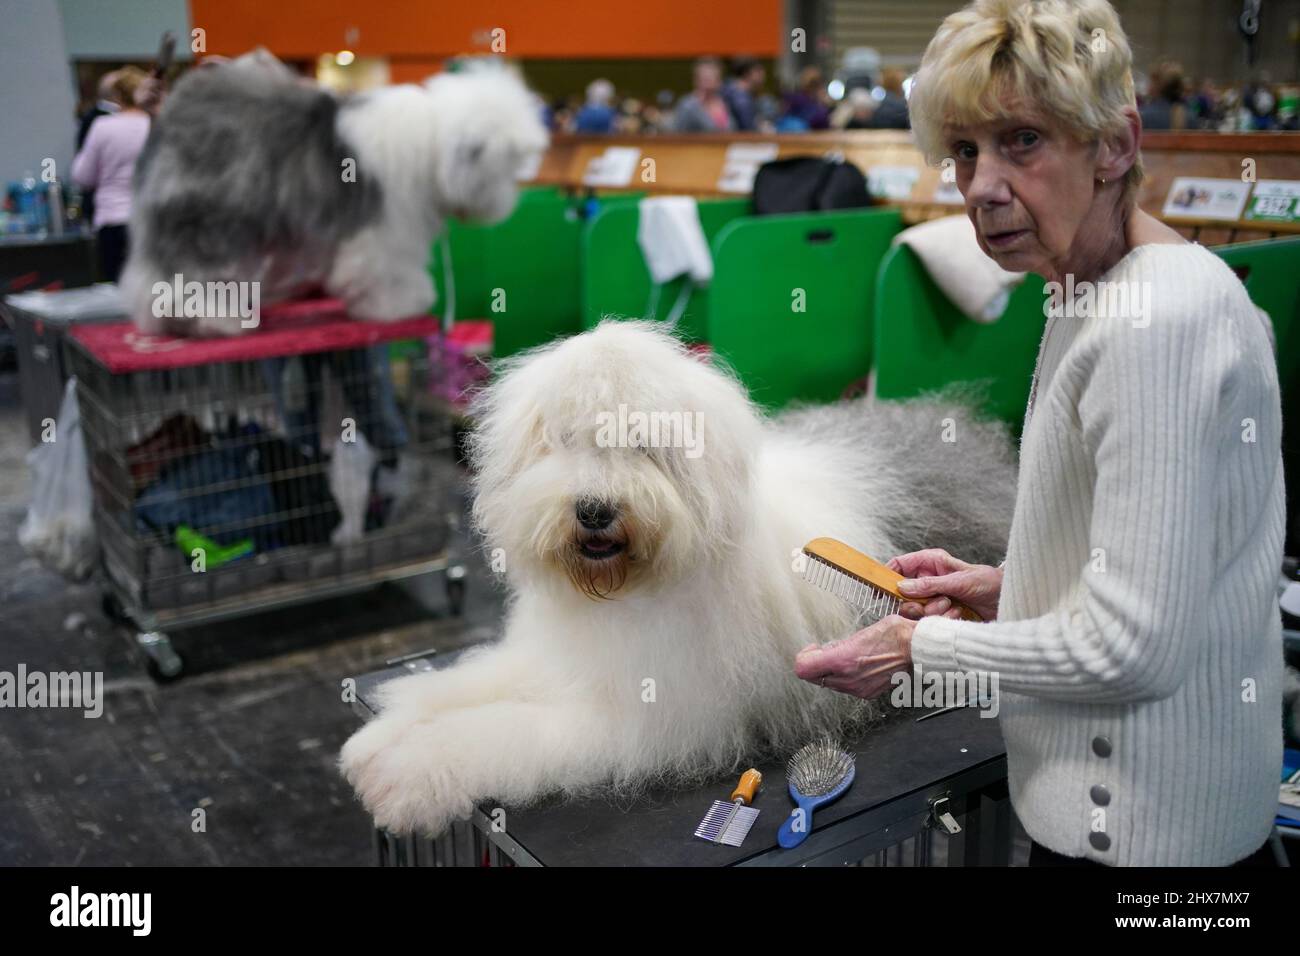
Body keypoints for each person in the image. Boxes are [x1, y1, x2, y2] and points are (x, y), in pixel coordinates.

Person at [793, 0, 1284, 868]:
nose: (982, 186)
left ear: (1116, 145)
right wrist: (1006, 585)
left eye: (1022, 140)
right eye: (964, 152)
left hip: (1143, 849)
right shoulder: (1100, 287)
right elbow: (1159, 562)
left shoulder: (1150, 326)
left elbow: (1129, 651)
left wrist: (919, 645)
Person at [71, 66, 152, 282]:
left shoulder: (102, 126)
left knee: (117, 290)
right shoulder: (155, 124)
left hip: (113, 218)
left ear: (117, 95)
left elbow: (82, 176)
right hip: (152, 218)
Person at [671, 57, 734, 132]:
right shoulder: (688, 105)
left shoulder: (724, 101)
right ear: (696, 80)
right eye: (705, 79)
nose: (708, 84)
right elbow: (677, 134)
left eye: (712, 78)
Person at [722, 57, 765, 131]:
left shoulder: (730, 90)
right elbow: (748, 129)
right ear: (746, 74)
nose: (763, 74)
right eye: (758, 71)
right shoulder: (741, 99)